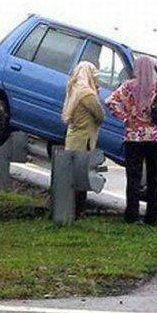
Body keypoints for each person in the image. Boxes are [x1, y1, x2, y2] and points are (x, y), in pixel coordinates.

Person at [106, 56, 157, 224]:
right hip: (155, 139)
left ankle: (132, 215)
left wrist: (126, 117)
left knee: (133, 177)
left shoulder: (128, 87)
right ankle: (152, 217)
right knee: (154, 178)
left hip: (134, 136)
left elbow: (110, 102)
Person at [62, 61, 105, 216]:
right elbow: (100, 115)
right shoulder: (87, 94)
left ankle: (70, 209)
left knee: (72, 175)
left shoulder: (73, 89)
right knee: (82, 176)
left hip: (73, 137)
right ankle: (78, 211)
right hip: (84, 140)